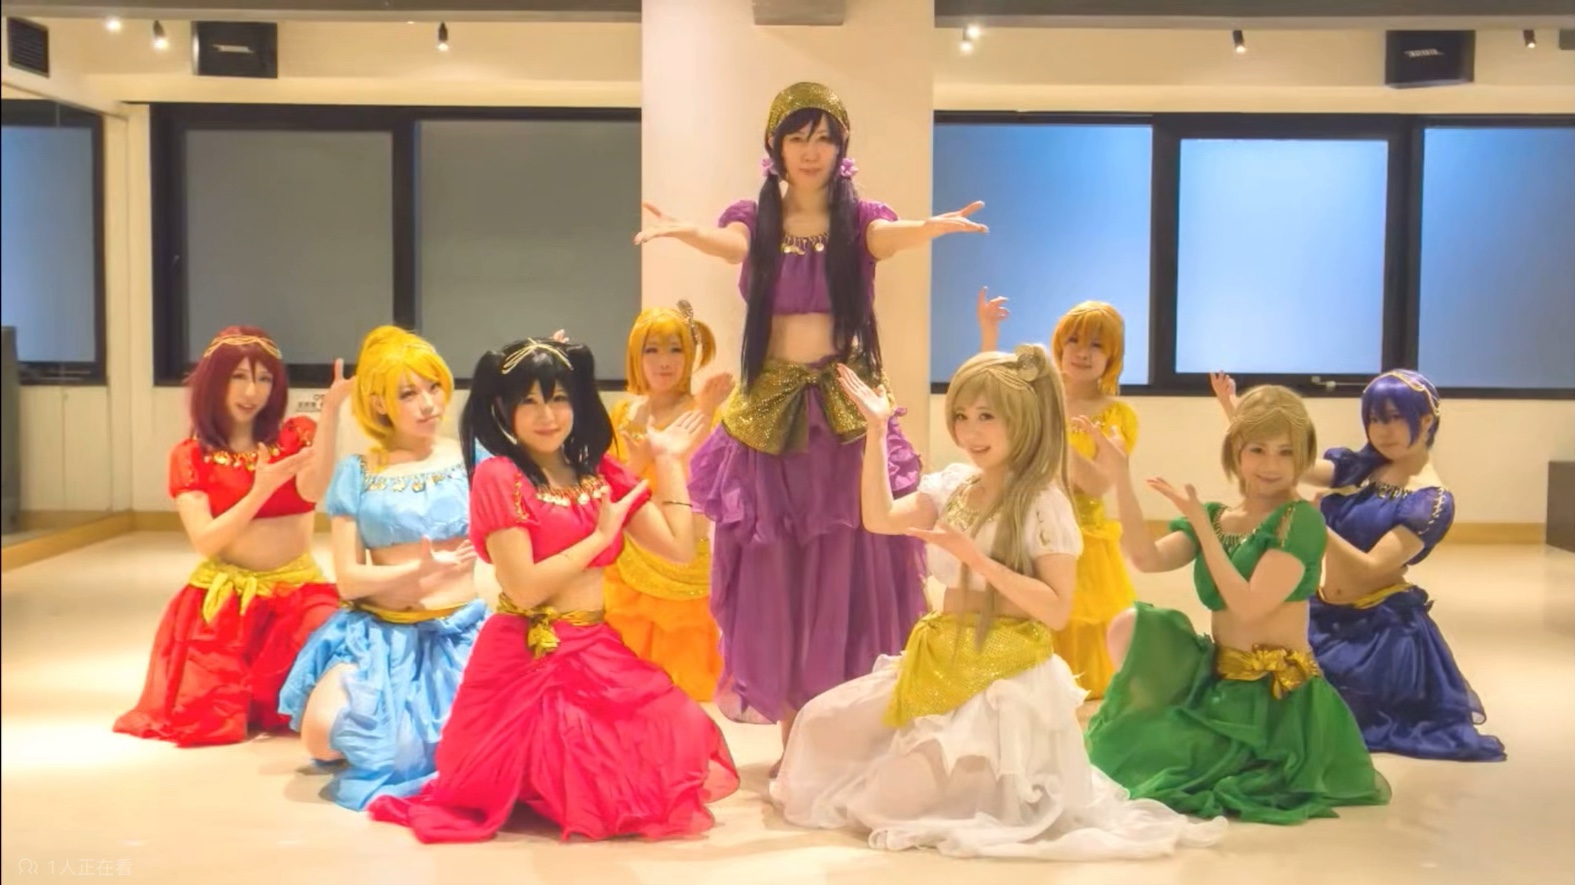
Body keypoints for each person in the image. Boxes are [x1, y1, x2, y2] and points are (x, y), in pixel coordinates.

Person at [634, 81, 987, 765]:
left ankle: (852, 738)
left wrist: (930, 227)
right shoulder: (754, 219)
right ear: (774, 145)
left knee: (852, 567)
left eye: (824, 137)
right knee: (779, 577)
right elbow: (730, 244)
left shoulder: (860, 221)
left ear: (840, 147)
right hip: (771, 417)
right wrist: (685, 233)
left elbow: (886, 237)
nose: (810, 150)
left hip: (844, 413)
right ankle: (796, 746)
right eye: (797, 136)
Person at [771, 346, 1226, 859]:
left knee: (890, 804)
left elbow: (1056, 609)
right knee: (820, 724)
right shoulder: (954, 485)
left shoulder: (1043, 501)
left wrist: (977, 560)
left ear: (1022, 419)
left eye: (987, 416)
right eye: (962, 416)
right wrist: (875, 432)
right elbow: (879, 518)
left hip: (1005, 673)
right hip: (941, 655)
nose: (971, 432)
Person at [367, 337, 737, 843]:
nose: (547, 415)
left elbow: (678, 547)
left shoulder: (599, 471)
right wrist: (599, 539)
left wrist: (671, 460)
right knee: (589, 784)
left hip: (597, 649)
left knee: (676, 730)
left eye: (559, 398)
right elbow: (524, 588)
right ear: (504, 409)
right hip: (528, 658)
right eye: (530, 402)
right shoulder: (500, 476)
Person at [1082, 385, 1391, 825]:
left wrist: (1203, 531)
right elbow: (1146, 559)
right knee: (1133, 624)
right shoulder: (1216, 515)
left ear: (1302, 456)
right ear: (1236, 452)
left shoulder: (1300, 520)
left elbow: (1247, 606)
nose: (1271, 465)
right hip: (1221, 680)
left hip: (1277, 701)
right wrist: (1121, 477)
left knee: (1193, 774)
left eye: (1286, 452)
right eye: (1257, 450)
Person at [1211, 369, 1505, 761]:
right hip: (1325, 614)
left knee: (1313, 715)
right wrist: (1235, 411)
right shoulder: (1366, 466)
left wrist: (1313, 521)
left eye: (1395, 417)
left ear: (1426, 420)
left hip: (1378, 634)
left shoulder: (1431, 500)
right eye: (1375, 419)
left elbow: (1371, 567)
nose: (1383, 430)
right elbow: (1292, 464)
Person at [279, 327, 488, 810]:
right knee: (321, 736)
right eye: (408, 394)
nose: (428, 404)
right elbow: (349, 581)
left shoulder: (471, 456)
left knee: (463, 750)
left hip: (461, 634)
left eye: (433, 387)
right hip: (379, 636)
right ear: (378, 404)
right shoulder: (358, 471)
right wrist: (414, 572)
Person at [114, 326, 348, 747]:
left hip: (297, 595)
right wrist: (260, 490)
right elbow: (206, 541)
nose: (251, 391)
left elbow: (313, 489)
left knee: (329, 666)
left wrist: (331, 412)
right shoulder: (191, 455)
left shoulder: (295, 435)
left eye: (264, 378)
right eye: (238, 376)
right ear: (214, 382)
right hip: (227, 600)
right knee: (209, 723)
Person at [979, 294, 1137, 698]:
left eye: (1097, 345)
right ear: (1059, 345)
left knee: (1075, 623)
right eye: (1074, 341)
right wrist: (989, 332)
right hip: (1028, 524)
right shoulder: (1033, 395)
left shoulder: (1116, 417)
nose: (1082, 353)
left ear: (1112, 357)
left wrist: (1056, 430)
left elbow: (1099, 484)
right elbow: (988, 395)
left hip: (1083, 538)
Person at [603, 302, 734, 701]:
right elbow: (610, 486)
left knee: (684, 687)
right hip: (632, 553)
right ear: (635, 355)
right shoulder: (623, 413)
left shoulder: (706, 414)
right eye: (652, 349)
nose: (664, 361)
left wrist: (705, 413)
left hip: (685, 558)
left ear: (690, 355)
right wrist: (639, 455)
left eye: (675, 349)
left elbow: (707, 487)